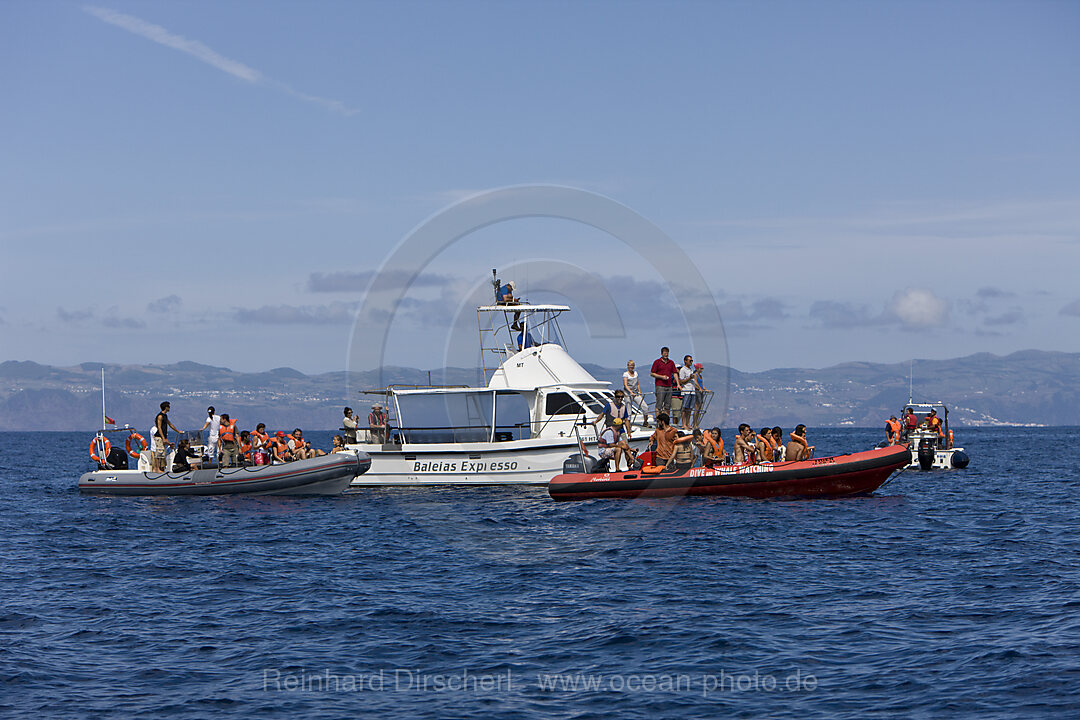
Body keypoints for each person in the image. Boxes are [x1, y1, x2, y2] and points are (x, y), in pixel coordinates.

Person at [152, 401, 181, 472]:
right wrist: (163, 438)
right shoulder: (160, 416)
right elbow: (159, 427)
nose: (169, 408)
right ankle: (157, 468)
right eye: (169, 406)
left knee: (163, 453)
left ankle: (162, 468)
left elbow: (170, 424)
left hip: (163, 436)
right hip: (159, 436)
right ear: (166, 407)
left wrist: (178, 431)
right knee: (159, 452)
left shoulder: (165, 416)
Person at [650, 347, 678, 418]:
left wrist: (678, 384)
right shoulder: (657, 362)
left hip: (669, 385)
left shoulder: (671, 362)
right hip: (660, 385)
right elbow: (652, 373)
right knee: (659, 404)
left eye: (667, 353)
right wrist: (661, 377)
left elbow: (675, 373)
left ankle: (666, 421)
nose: (666, 354)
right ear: (661, 354)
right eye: (665, 353)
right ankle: (658, 421)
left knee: (667, 405)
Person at [622, 360, 649, 427]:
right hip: (628, 394)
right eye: (629, 365)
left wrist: (640, 393)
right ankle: (628, 426)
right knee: (629, 410)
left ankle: (645, 422)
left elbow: (637, 384)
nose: (631, 367)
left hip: (636, 393)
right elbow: (625, 385)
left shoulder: (636, 373)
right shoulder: (625, 374)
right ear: (627, 366)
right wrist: (630, 392)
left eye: (632, 365)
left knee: (645, 407)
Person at [678, 355, 701, 429]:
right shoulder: (682, 370)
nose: (691, 362)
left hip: (692, 391)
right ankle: (684, 424)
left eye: (692, 361)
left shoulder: (691, 370)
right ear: (685, 361)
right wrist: (689, 378)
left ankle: (688, 423)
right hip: (686, 391)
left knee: (690, 408)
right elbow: (681, 381)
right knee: (684, 408)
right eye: (690, 361)